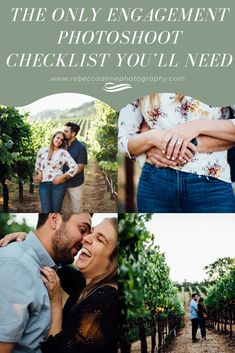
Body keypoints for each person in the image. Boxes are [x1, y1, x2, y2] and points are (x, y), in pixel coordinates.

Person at [0, 216, 118, 353]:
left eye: (99, 239)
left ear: (114, 261)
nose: (86, 238)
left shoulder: (105, 300)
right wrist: (25, 240)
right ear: (54, 219)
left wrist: (56, 304)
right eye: (87, 231)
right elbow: (45, 255)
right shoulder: (83, 284)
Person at [118, 93, 235, 212]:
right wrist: (152, 137)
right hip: (154, 184)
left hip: (211, 185)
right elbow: (124, 140)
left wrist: (197, 126)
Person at [35, 131, 78, 212]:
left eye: (61, 140)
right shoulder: (42, 150)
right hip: (44, 184)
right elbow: (37, 166)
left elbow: (75, 167)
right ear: (53, 137)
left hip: (58, 185)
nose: (59, 141)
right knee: (46, 211)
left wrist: (61, 177)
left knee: (56, 211)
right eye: (58, 138)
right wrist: (40, 173)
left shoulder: (63, 153)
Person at [62, 122, 88, 212]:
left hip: (75, 184)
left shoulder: (81, 148)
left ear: (73, 134)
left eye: (66, 131)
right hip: (61, 185)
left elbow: (79, 168)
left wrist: (64, 178)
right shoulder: (60, 145)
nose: (63, 133)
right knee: (63, 211)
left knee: (76, 210)